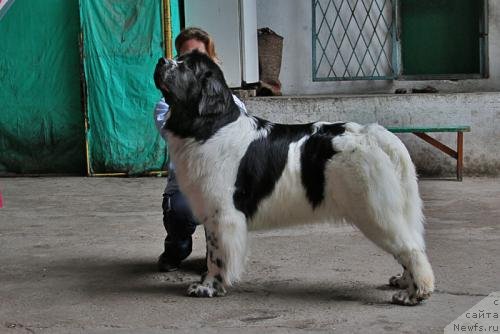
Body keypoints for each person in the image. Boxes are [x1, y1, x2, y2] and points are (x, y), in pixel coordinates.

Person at [154, 27, 247, 271]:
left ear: (212, 62)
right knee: (182, 211)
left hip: (221, 190)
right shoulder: (165, 107)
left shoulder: (234, 104)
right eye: (184, 58)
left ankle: (214, 254)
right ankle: (177, 247)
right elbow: (183, 136)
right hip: (185, 191)